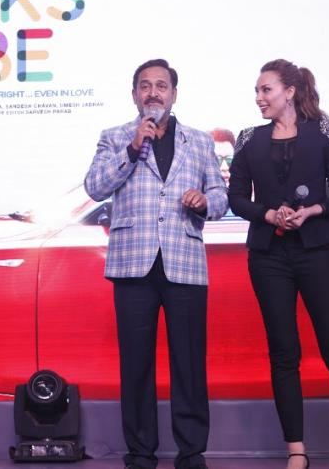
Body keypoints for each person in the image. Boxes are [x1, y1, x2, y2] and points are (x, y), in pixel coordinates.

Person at [228, 59, 329, 469]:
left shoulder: (323, 132)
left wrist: (313, 210)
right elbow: (237, 198)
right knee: (284, 353)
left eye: (266, 89)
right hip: (269, 256)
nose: (259, 98)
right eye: (257, 91)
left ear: (290, 92)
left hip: (316, 251)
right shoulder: (248, 139)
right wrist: (268, 214)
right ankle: (296, 450)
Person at [84, 59, 228, 469]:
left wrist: (205, 202)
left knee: (189, 363)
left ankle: (192, 453)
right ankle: (140, 453)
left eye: (161, 86)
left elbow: (221, 197)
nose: (153, 93)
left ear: (173, 94)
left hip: (184, 262)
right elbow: (95, 187)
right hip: (133, 264)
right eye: (145, 86)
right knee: (136, 364)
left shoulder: (199, 142)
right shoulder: (115, 138)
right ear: (134, 95)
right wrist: (132, 149)